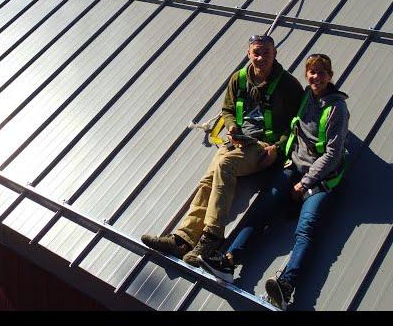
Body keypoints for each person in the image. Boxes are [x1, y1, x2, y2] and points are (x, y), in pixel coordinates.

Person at [198, 53, 349, 310]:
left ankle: (286, 285)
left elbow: (333, 154)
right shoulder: (306, 97)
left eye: (322, 72)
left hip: (322, 178)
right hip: (294, 167)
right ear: (307, 75)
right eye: (312, 72)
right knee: (262, 210)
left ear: (330, 76)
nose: (317, 77)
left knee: (306, 228)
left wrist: (305, 183)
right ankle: (229, 261)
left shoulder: (337, 108)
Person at [142, 35, 304, 267]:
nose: (261, 58)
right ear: (249, 54)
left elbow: (296, 124)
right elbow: (227, 108)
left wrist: (277, 148)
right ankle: (183, 238)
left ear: (275, 54)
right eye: (256, 53)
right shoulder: (238, 79)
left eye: (266, 53)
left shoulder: (288, 85)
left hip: (262, 146)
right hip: (236, 141)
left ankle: (212, 236)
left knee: (224, 166)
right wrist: (231, 125)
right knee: (208, 180)